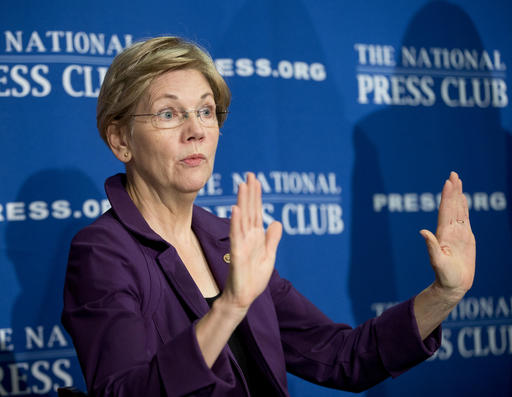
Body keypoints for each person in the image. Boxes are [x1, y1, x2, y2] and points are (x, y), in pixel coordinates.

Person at [61, 36, 476, 397]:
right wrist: (230, 307)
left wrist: (443, 294)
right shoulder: (103, 253)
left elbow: (339, 357)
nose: (196, 130)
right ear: (120, 140)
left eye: (206, 111)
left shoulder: (225, 239)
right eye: (169, 114)